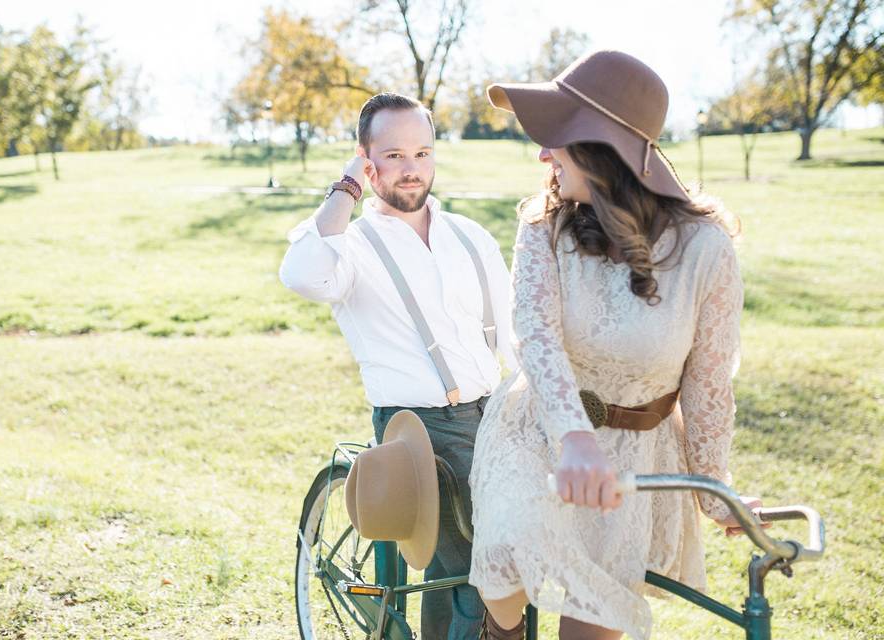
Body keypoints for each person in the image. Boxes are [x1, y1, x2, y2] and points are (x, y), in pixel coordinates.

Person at [467, 50, 761, 640]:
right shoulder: (543, 228)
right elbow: (537, 336)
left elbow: (708, 382)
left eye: (557, 139)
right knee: (503, 563)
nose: (543, 155)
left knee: (592, 625)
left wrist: (715, 490)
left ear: (601, 148)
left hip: (637, 457)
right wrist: (574, 438)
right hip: (538, 434)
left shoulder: (705, 251)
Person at [279, 92, 518, 639]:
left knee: (512, 560)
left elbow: (514, 334)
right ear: (365, 159)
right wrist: (346, 188)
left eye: (423, 153)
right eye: (393, 156)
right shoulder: (350, 243)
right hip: (417, 425)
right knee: (474, 575)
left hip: (495, 419)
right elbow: (302, 275)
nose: (412, 171)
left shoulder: (469, 235)